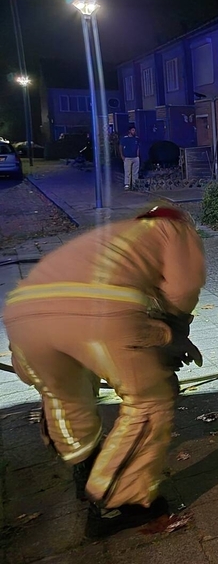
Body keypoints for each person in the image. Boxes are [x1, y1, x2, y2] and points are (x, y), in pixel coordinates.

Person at [2, 205, 206, 538]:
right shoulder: (176, 230)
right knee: (151, 399)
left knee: (63, 393)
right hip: (97, 317)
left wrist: (163, 336)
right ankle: (117, 501)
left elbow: (127, 312)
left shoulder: (113, 238)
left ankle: (84, 463)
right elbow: (181, 289)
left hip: (21, 318)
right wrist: (175, 330)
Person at [120, 125, 141, 190]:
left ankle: (135, 184)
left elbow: (138, 147)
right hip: (127, 157)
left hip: (135, 157)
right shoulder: (124, 139)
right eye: (133, 130)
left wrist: (137, 155)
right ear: (129, 131)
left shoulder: (136, 138)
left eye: (134, 130)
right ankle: (127, 184)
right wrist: (122, 156)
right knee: (127, 171)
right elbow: (120, 146)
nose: (134, 132)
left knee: (135, 172)